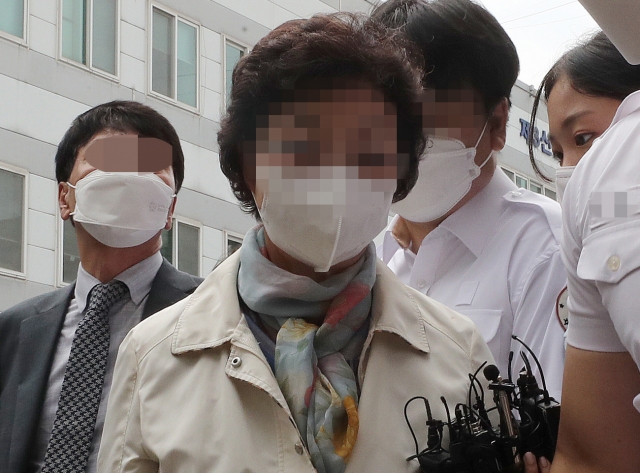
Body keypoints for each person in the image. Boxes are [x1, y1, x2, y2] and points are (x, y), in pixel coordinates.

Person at [97, 13, 496, 473]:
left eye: (367, 151)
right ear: (248, 165)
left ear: (400, 173)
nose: (337, 173)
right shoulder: (153, 356)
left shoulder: (459, 353)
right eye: (305, 147)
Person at [371, 0, 567, 402]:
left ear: (496, 123)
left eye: (427, 119)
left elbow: (555, 429)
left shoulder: (545, 249)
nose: (406, 144)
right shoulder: (371, 253)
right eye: (386, 122)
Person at [0, 101, 203, 473]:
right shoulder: (13, 330)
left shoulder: (216, 312)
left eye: (149, 166)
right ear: (65, 198)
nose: (129, 178)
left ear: (170, 209)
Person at [529, 31, 640, 473]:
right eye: (558, 152)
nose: (571, 168)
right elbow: (589, 456)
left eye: (585, 137)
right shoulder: (586, 224)